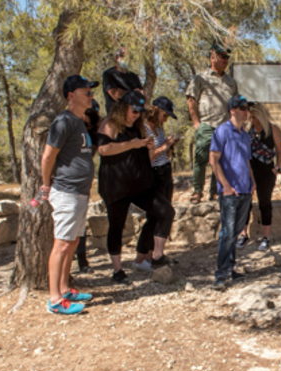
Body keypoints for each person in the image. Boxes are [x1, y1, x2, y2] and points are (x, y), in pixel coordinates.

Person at [97, 91, 175, 284]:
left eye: (139, 112)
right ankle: (117, 269)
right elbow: (103, 150)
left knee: (165, 210)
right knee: (117, 224)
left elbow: (141, 152)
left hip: (140, 184)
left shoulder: (140, 127)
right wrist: (131, 144)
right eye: (134, 111)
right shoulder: (111, 124)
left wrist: (145, 147)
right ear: (123, 107)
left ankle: (156, 256)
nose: (136, 115)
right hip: (116, 185)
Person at [40, 75, 99, 315]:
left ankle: (65, 289)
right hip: (66, 192)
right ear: (71, 96)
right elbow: (47, 156)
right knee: (62, 244)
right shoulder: (63, 122)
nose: (91, 96)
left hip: (80, 193)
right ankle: (54, 299)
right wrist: (46, 185)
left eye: (91, 92)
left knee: (73, 241)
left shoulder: (79, 123)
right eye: (86, 92)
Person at [210, 95, 255, 291]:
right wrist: (226, 186)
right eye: (242, 108)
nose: (246, 111)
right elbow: (214, 160)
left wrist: (252, 181)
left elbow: (246, 161)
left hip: (245, 190)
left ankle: (229, 268)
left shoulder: (245, 135)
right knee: (227, 233)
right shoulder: (222, 131)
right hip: (230, 192)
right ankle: (220, 275)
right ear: (232, 110)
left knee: (236, 232)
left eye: (247, 108)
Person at [187, 43, 239, 203]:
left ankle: (215, 191)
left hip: (225, 127)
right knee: (201, 158)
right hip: (207, 124)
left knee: (221, 160)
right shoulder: (200, 78)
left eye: (227, 57)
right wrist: (197, 123)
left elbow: (235, 103)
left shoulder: (231, 81)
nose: (225, 60)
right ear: (213, 57)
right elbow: (191, 99)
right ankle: (197, 191)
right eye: (222, 56)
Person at [236, 103, 281, 251]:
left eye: (254, 117)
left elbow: (280, 151)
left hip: (267, 171)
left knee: (265, 202)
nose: (252, 120)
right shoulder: (247, 131)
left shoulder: (272, 129)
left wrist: (277, 167)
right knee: (245, 202)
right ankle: (243, 235)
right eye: (250, 117)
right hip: (250, 170)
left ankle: (265, 237)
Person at [145, 96, 180, 266]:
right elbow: (148, 157)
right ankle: (151, 255)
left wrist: (170, 147)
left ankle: (158, 253)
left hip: (166, 171)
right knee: (161, 213)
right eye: (164, 116)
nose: (165, 120)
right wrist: (164, 146)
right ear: (157, 110)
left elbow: (164, 155)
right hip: (154, 175)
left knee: (165, 213)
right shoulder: (144, 129)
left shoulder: (159, 130)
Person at [74, 99, 102, 274]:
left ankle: (82, 259)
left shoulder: (93, 133)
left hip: (84, 181)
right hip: (68, 182)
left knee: (80, 222)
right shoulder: (73, 127)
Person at [102, 47, 144, 114]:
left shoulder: (134, 76)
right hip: (116, 116)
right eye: (123, 56)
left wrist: (126, 93)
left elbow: (142, 95)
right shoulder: (109, 74)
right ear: (116, 57)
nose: (126, 60)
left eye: (129, 57)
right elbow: (115, 94)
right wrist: (133, 93)